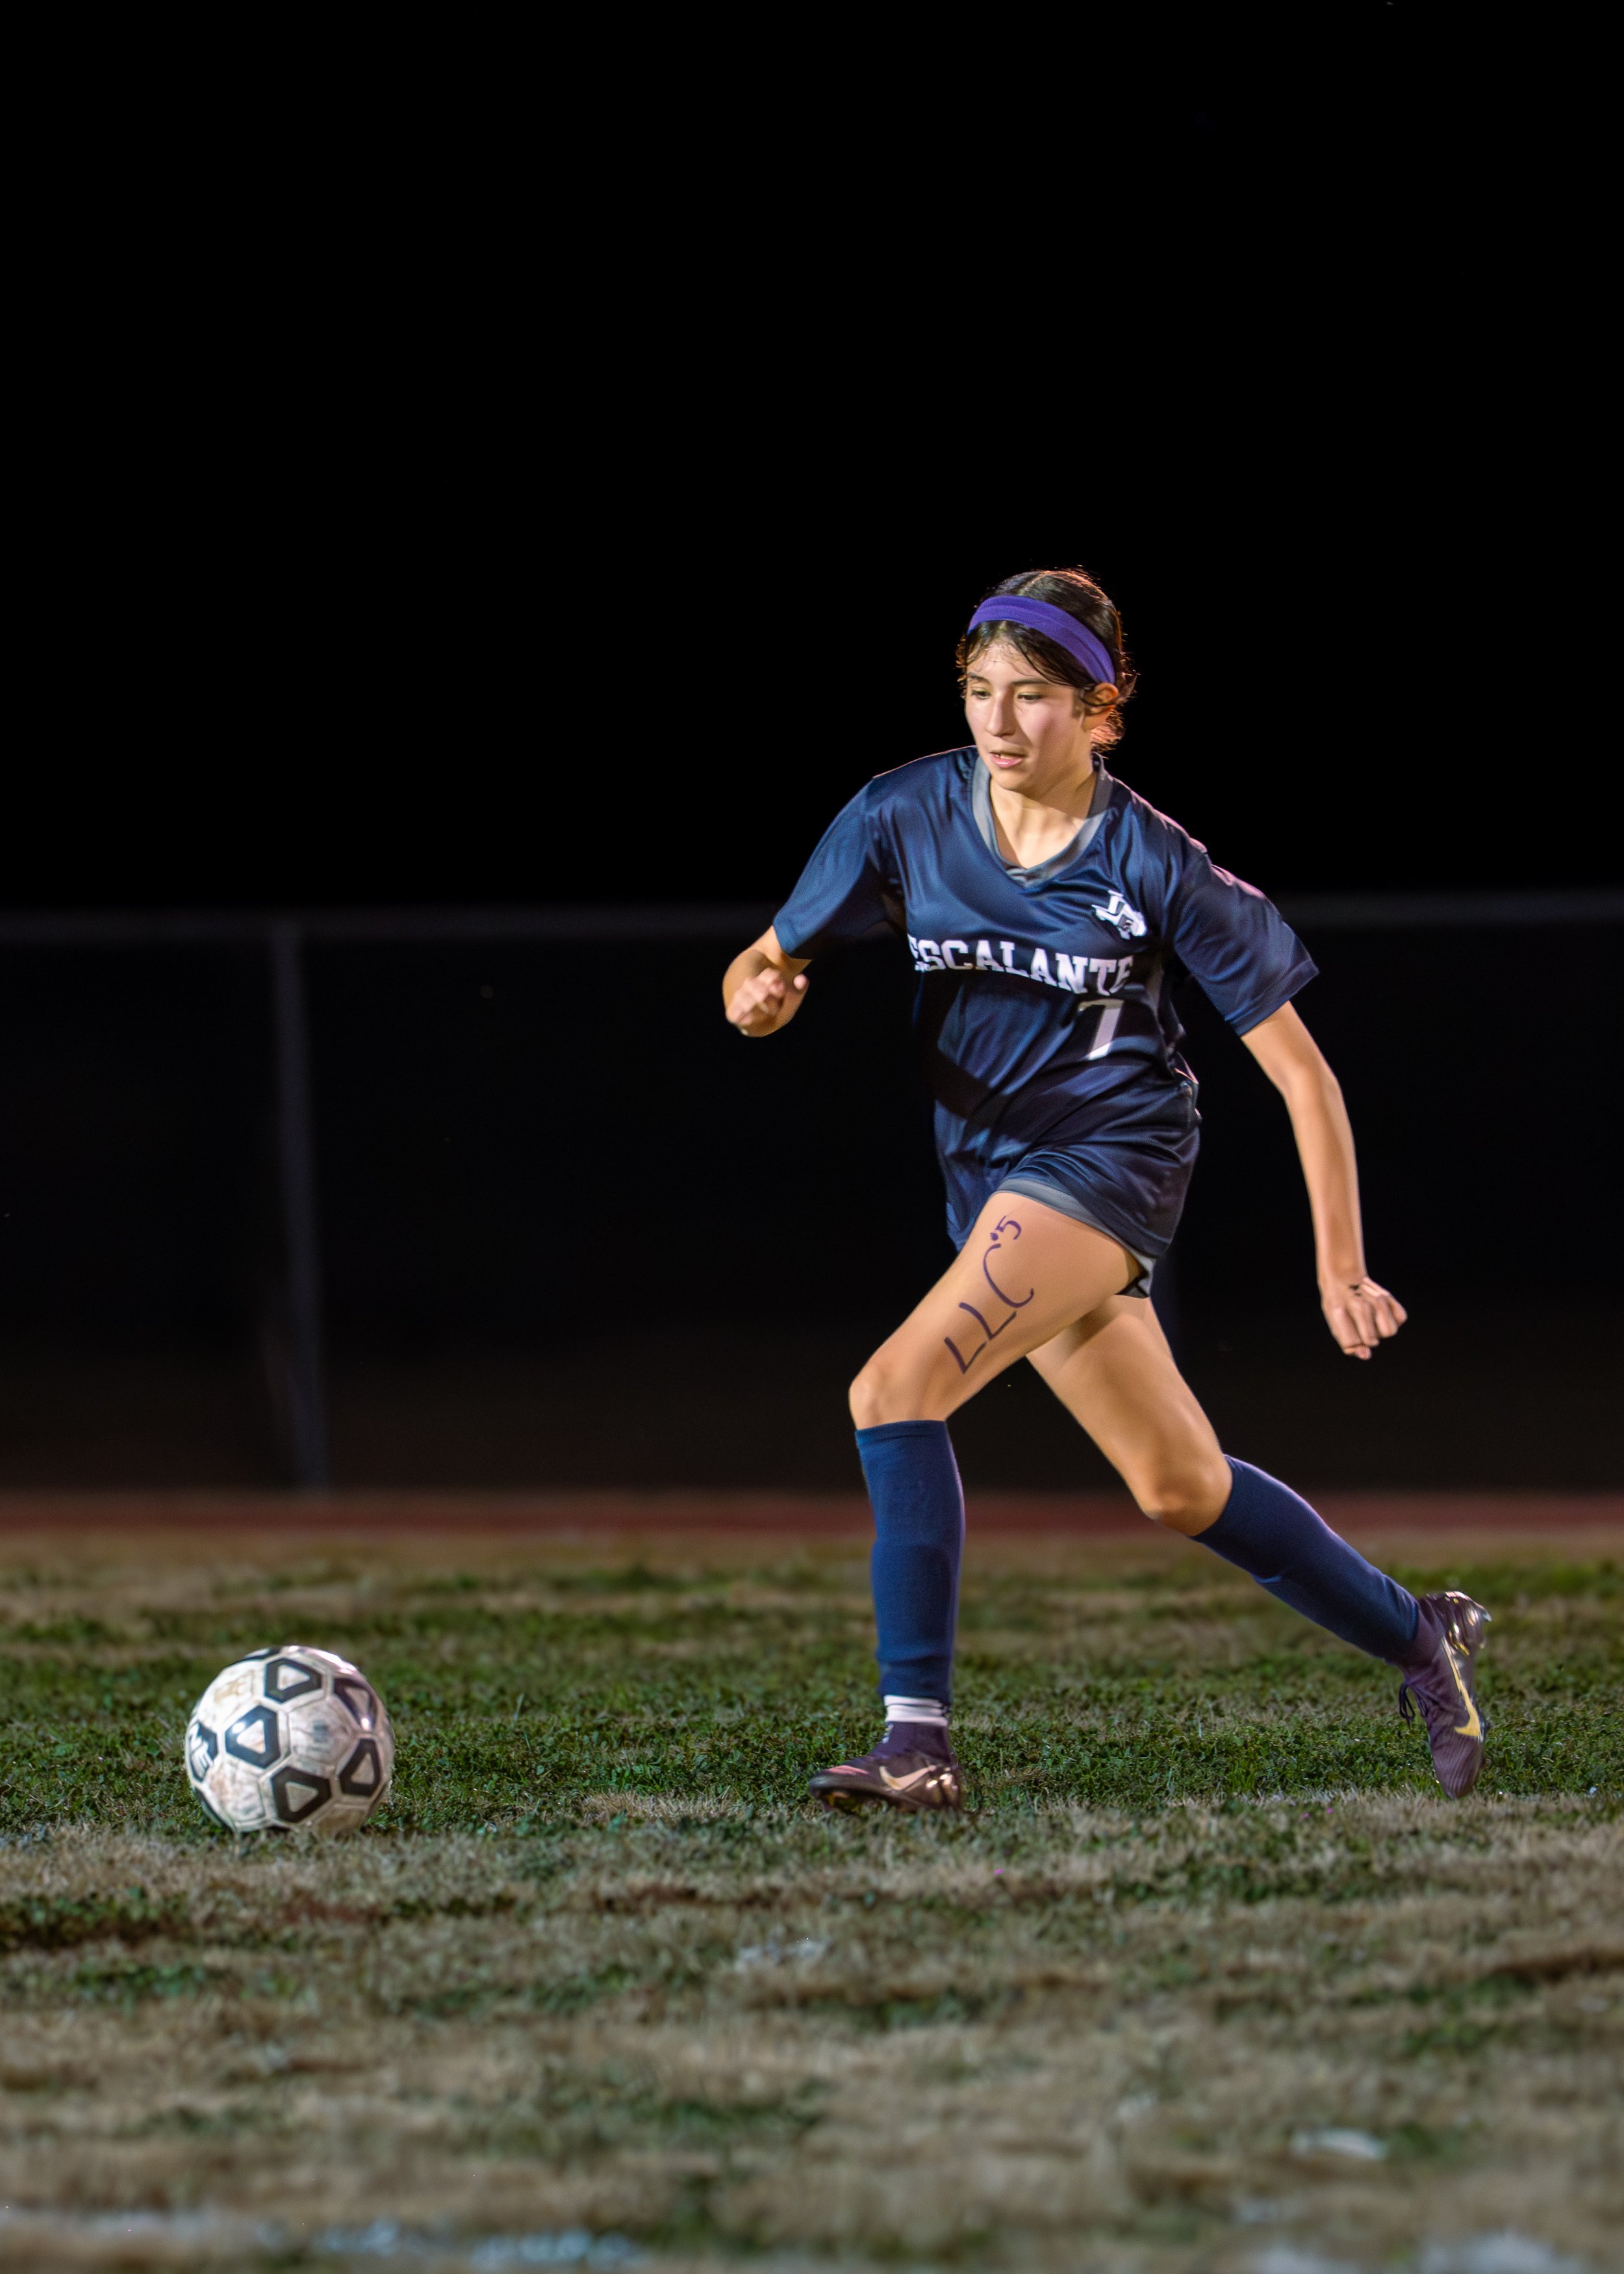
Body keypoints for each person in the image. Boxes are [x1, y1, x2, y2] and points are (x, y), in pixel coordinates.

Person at [721, 567, 1488, 1811]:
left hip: (1109, 1159)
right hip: (990, 1182)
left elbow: (1306, 1079)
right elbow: (763, 962)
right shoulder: (898, 815)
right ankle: (1418, 1636)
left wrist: (1339, 1269)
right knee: (1180, 1486)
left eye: (1033, 697)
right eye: (979, 693)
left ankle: (917, 1743)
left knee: (891, 1387)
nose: (998, 723)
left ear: (1103, 710)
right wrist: (758, 996)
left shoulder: (1152, 858)